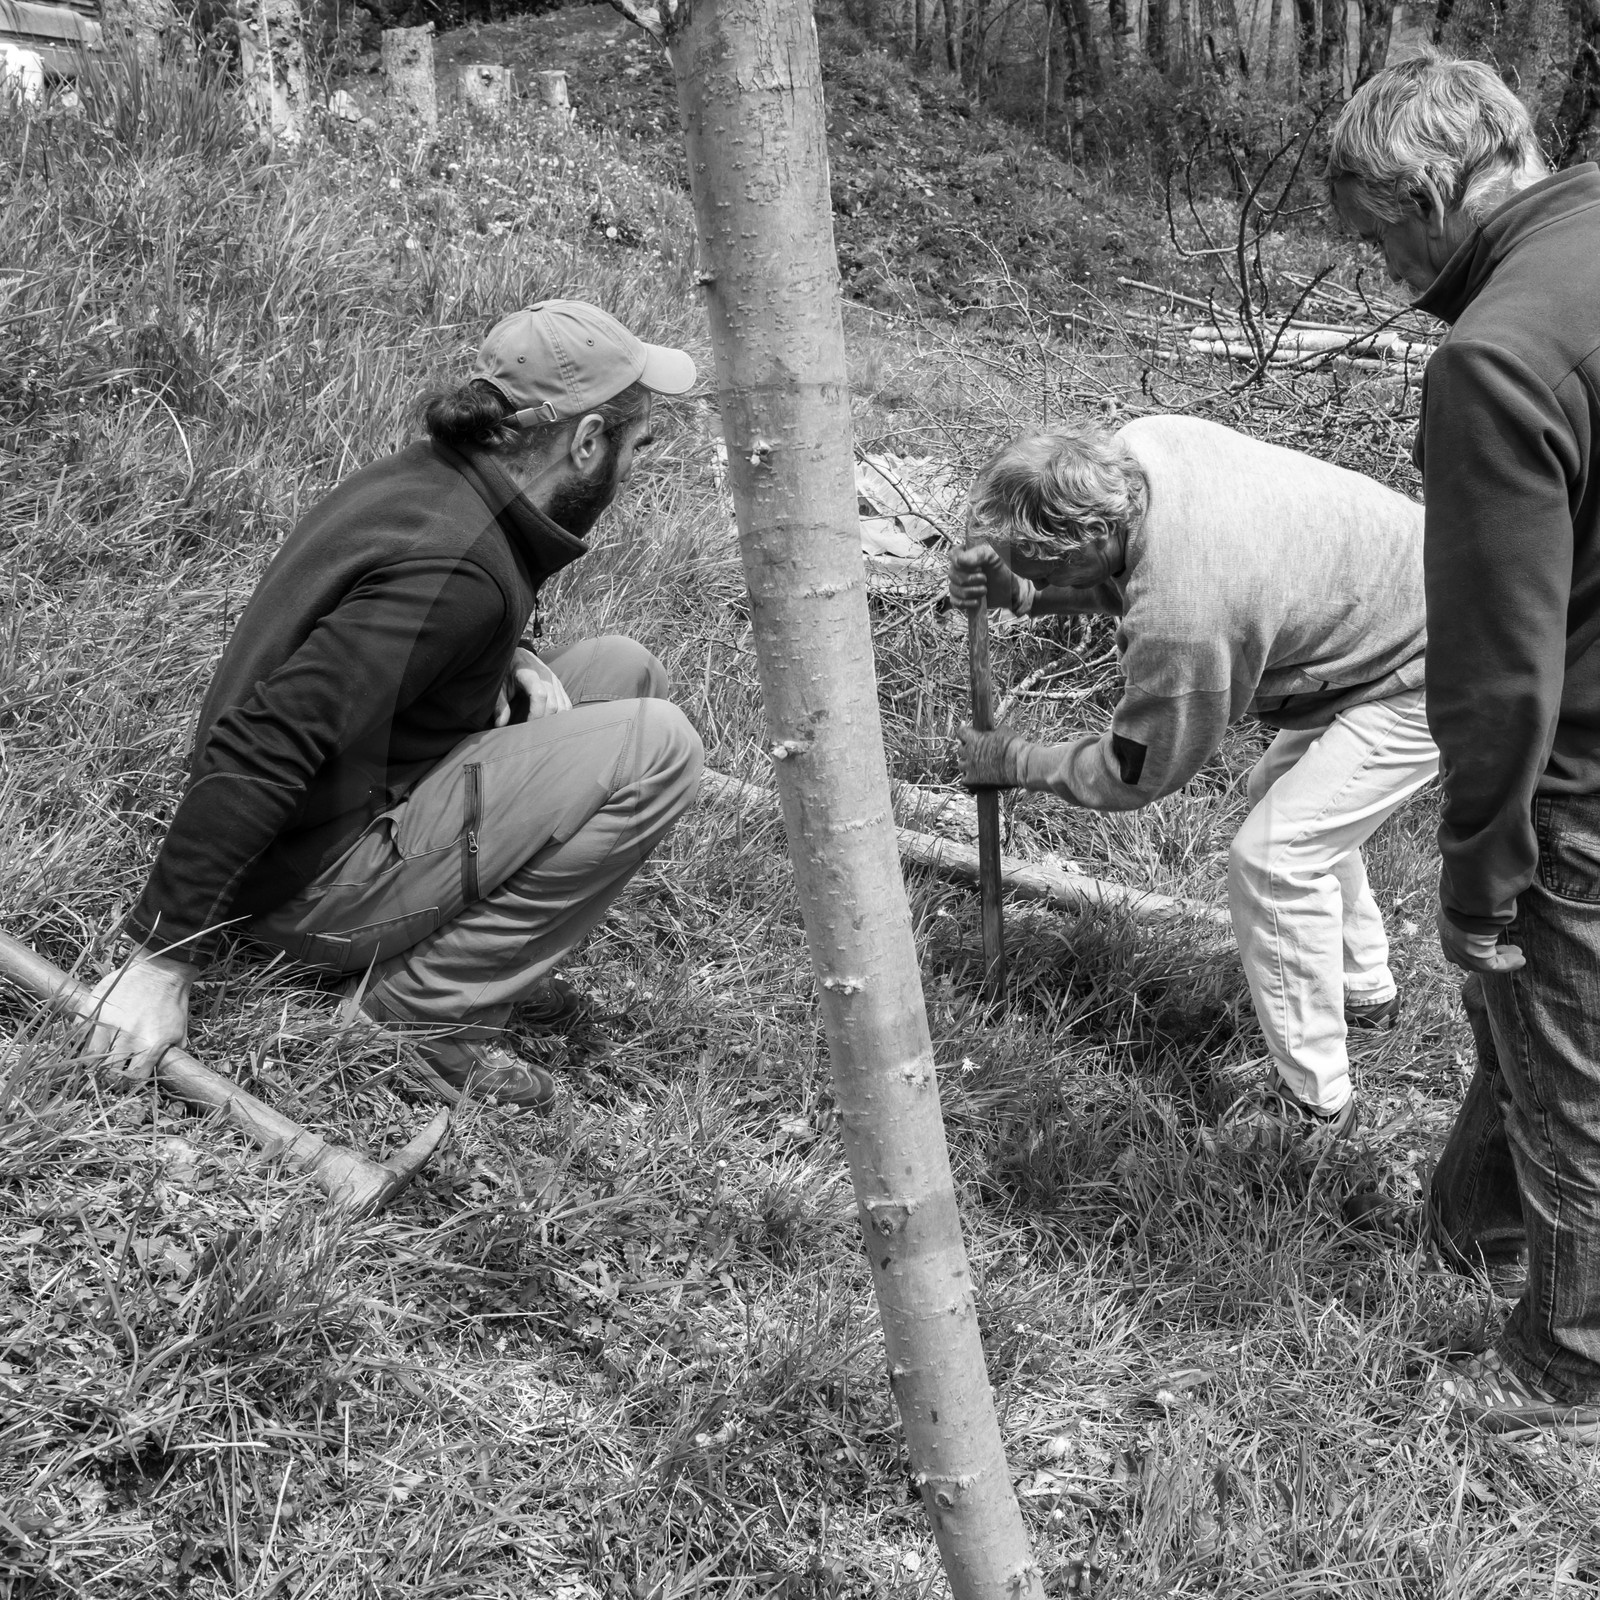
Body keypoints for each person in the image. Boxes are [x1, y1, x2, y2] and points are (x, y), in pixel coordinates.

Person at [89, 300, 705, 1114]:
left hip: (360, 797)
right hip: (300, 888)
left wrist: (508, 655)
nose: (636, 466)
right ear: (586, 441)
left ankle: (479, 964)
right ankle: (421, 1025)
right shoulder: (451, 573)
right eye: (637, 444)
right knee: (659, 748)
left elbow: (404, 620)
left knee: (620, 670)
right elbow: (269, 740)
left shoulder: (441, 482)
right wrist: (159, 958)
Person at [1328, 55, 1600, 1443]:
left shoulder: (1499, 357)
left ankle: (1567, 1362)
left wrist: (1481, 866)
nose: (1387, 272)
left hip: (1582, 776)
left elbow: (1500, 665)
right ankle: (1468, 1228)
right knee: (1542, 1033)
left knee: (1571, 1073)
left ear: (1430, 193)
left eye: (1382, 239)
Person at [952, 417, 1435, 1150]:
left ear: (1088, 541)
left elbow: (1133, 773)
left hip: (1445, 654)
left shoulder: (1184, 615)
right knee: (1288, 796)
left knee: (1277, 857)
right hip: (1400, 596)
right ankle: (1364, 991)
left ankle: (1316, 1108)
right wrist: (1020, 591)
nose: (1045, 585)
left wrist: (1016, 761)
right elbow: (1123, 569)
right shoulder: (1145, 448)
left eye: (1049, 571)